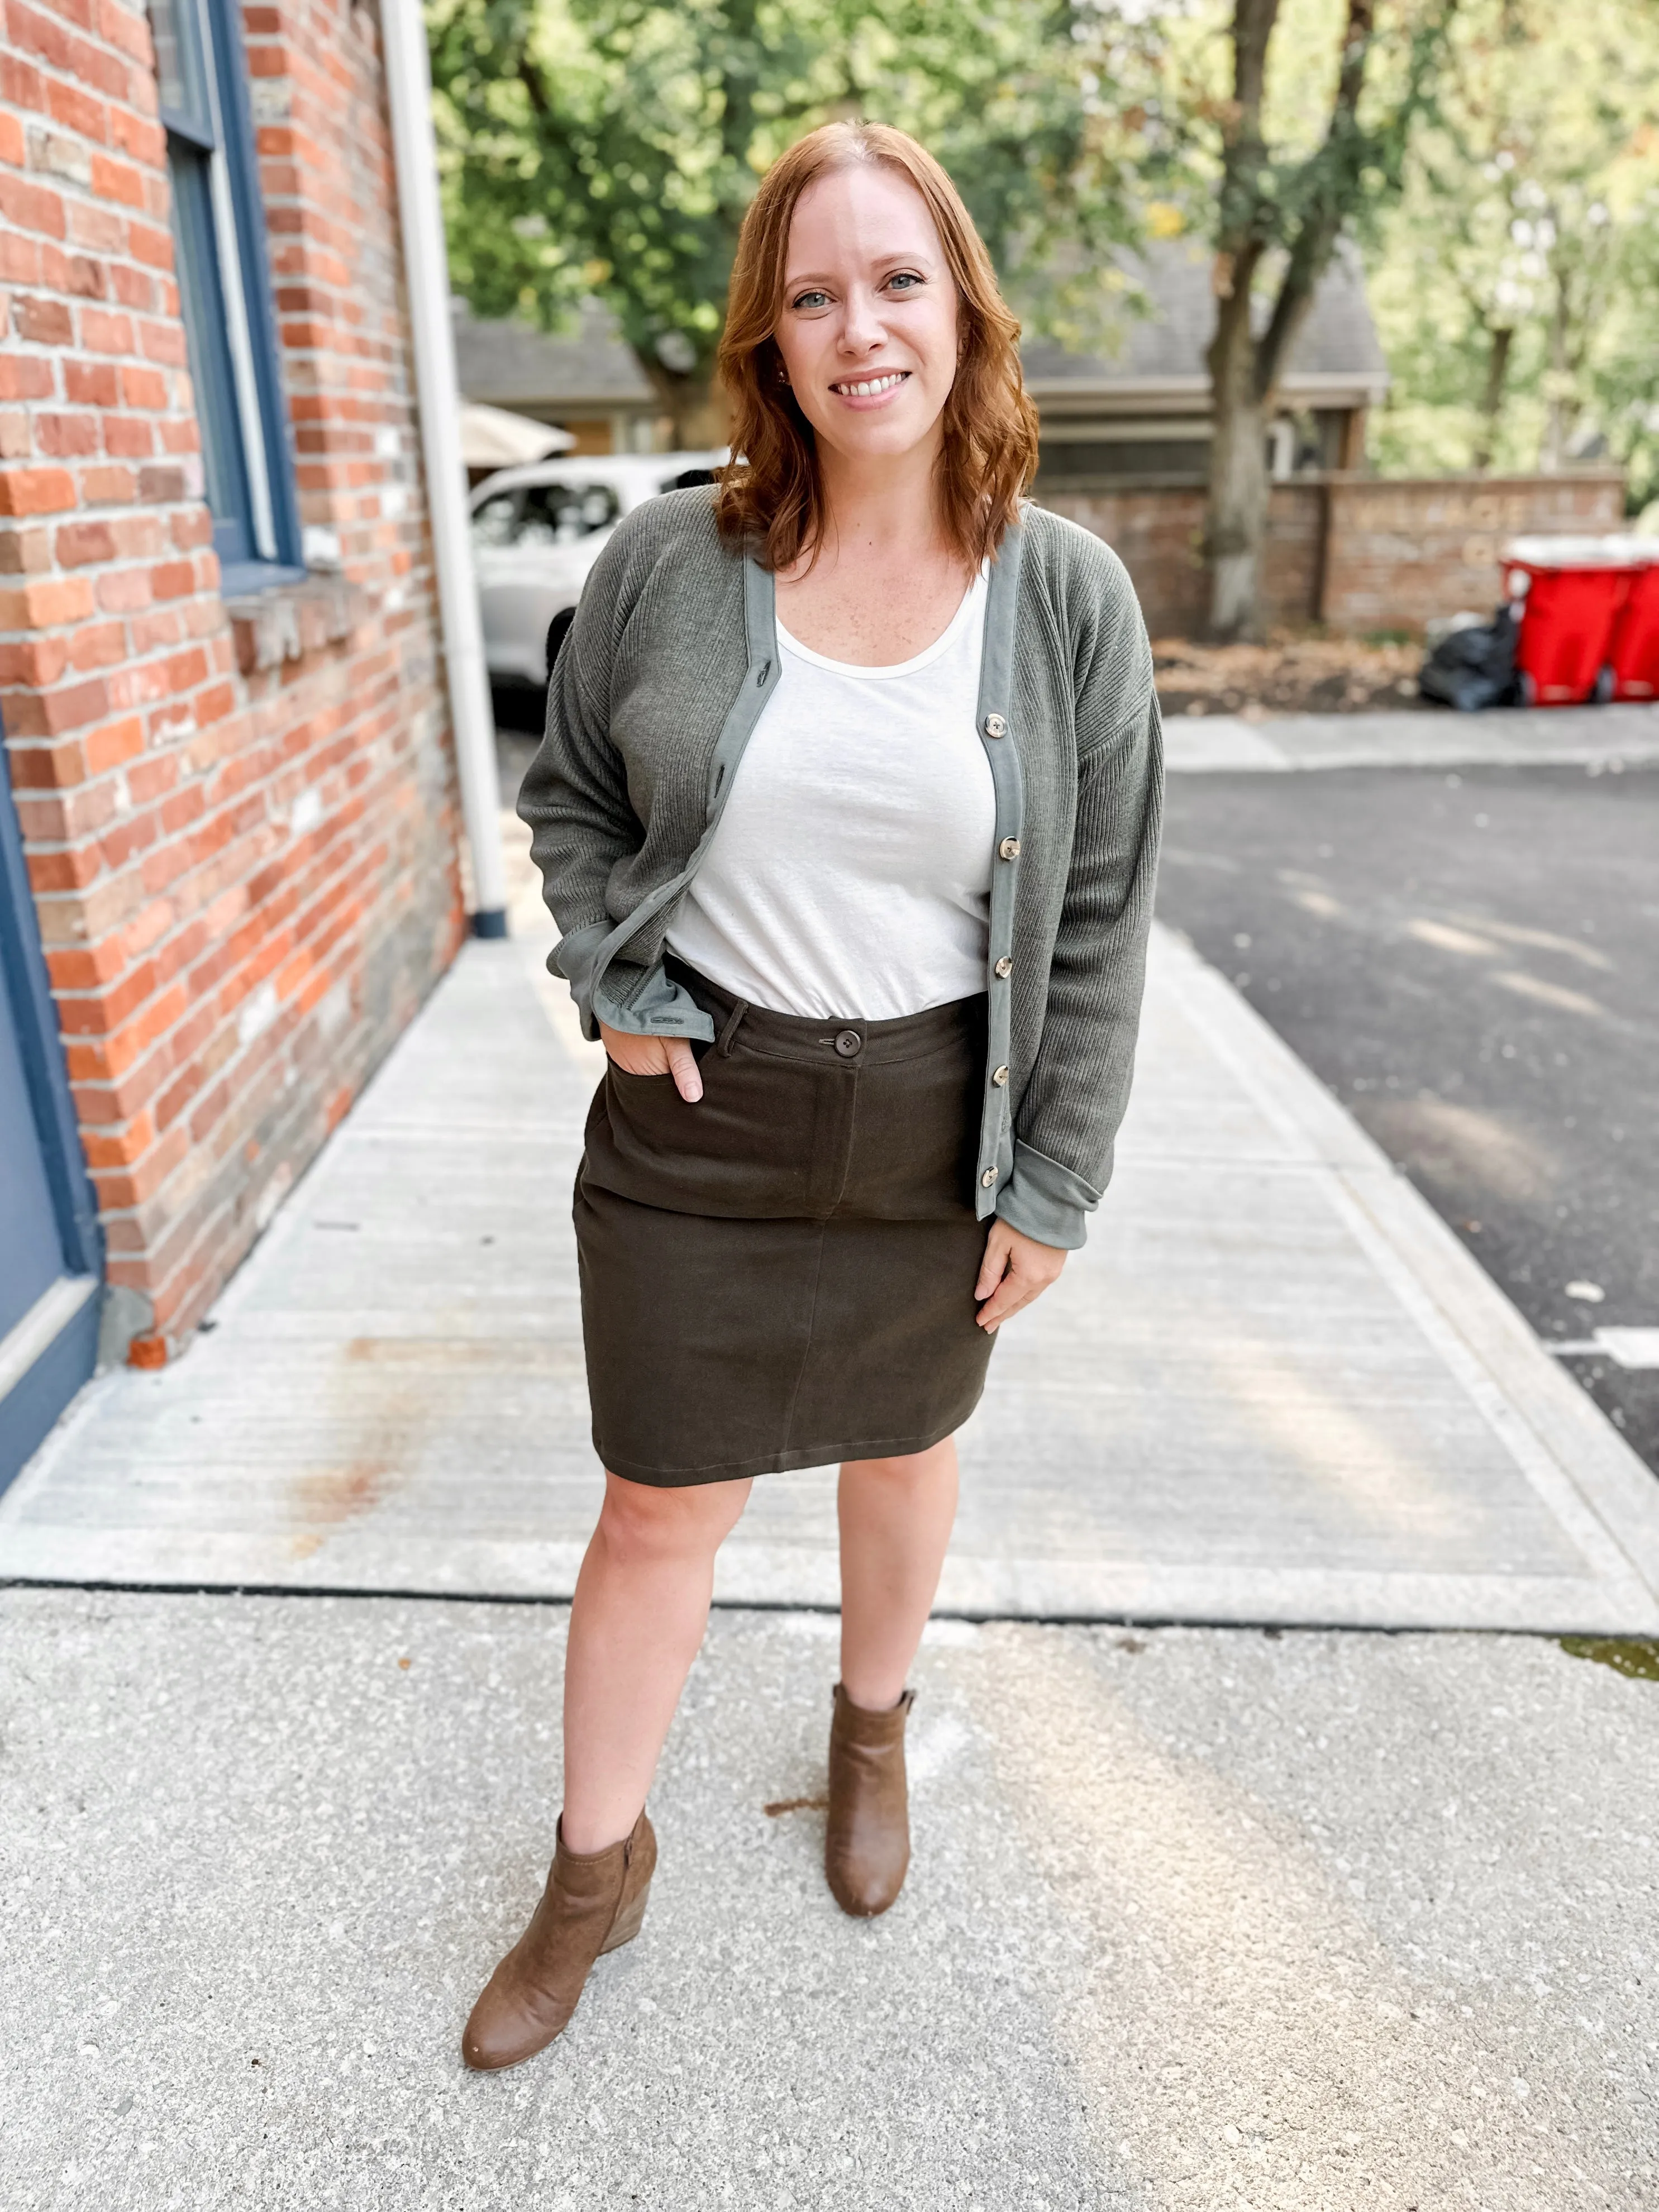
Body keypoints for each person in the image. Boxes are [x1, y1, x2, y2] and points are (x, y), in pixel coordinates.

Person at [461, 120, 1162, 2072]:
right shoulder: (674, 560)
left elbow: (1099, 911)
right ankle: (596, 1870)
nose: (862, 327)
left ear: (962, 307)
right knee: (656, 1509)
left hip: (944, 1116)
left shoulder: (1069, 597)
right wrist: (613, 984)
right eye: (815, 292)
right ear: (771, 340)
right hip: (706, 1124)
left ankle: (872, 1739)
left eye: (898, 280)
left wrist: (1056, 1174)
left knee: (902, 1453)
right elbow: (575, 800)